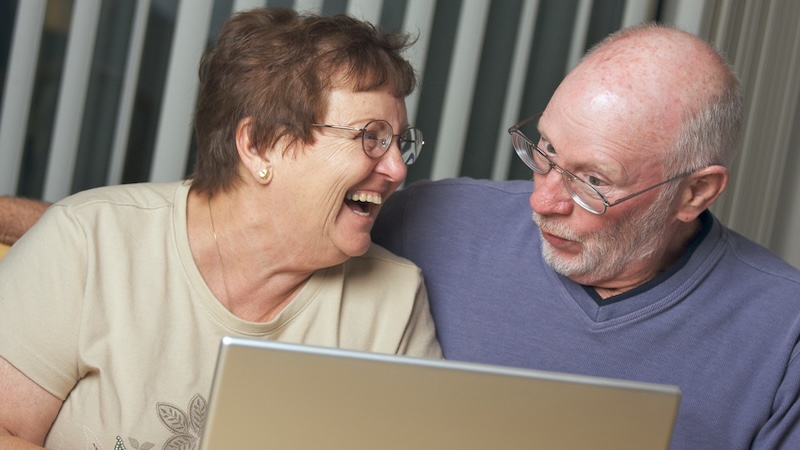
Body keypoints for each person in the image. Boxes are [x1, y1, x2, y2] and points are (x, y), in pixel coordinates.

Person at [0, 8, 440, 449]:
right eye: (371, 137)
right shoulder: (86, 243)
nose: (397, 168)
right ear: (260, 145)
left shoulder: (394, 303)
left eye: (399, 142)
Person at [373, 23, 800, 449]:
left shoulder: (786, 334)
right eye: (546, 150)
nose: (542, 202)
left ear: (695, 193)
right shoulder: (426, 223)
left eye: (593, 180)